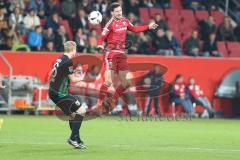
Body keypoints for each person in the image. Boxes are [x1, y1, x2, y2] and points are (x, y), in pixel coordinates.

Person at [96, 2, 158, 112]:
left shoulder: (125, 21)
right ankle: (99, 103)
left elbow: (134, 29)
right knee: (108, 82)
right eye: (117, 11)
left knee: (127, 83)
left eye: (120, 11)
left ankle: (112, 100)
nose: (119, 13)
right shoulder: (110, 23)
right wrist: (100, 45)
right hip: (111, 54)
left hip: (121, 54)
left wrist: (148, 26)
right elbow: (102, 37)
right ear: (112, 13)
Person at [48, 41, 87, 149]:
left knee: (73, 115)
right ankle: (73, 138)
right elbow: (73, 79)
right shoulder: (68, 61)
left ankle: (77, 141)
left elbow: (58, 74)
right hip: (60, 94)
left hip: (53, 92)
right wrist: (84, 77)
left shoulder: (59, 59)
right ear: (74, 50)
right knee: (82, 110)